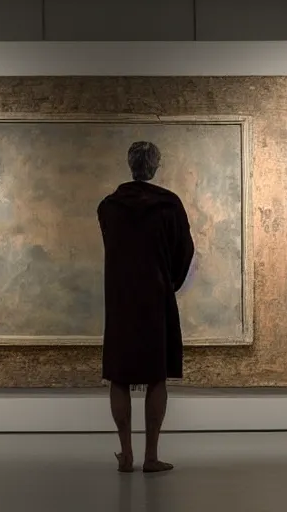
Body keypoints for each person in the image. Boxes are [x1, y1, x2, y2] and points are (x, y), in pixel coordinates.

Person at [96, 141, 195, 473]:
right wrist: (169, 281)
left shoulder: (108, 206)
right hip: (156, 297)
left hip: (121, 298)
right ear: (154, 167)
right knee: (156, 376)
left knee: (119, 377)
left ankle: (126, 455)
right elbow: (185, 251)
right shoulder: (170, 206)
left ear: (130, 164)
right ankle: (151, 456)